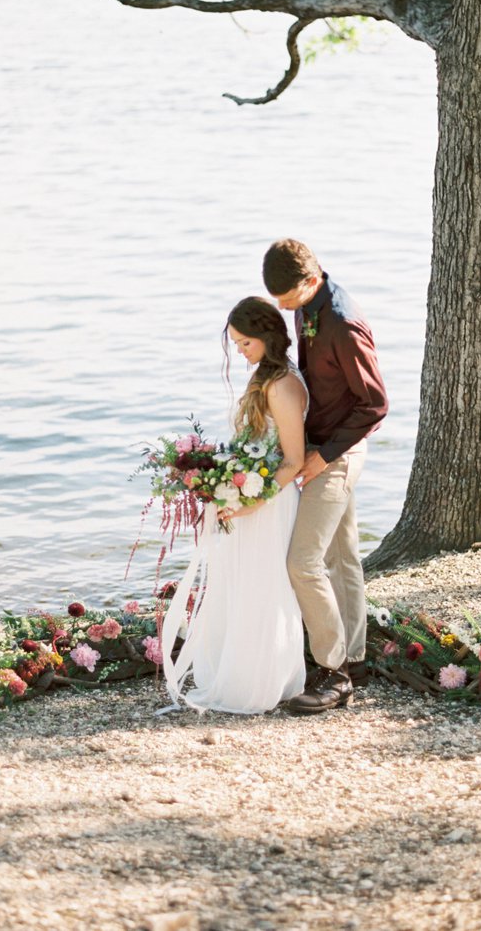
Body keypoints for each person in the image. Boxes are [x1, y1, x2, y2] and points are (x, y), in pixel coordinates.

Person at [160, 297, 308, 714]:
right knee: (239, 585)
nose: (240, 352)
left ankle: (262, 680)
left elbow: (293, 461)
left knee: (264, 587)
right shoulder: (265, 377)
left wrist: (250, 500)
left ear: (267, 336)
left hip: (269, 504)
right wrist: (221, 476)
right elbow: (253, 446)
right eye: (236, 344)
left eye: (245, 343)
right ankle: (237, 670)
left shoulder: (283, 386)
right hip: (248, 500)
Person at [262, 239, 388, 715]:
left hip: (341, 450)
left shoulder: (343, 323)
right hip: (317, 446)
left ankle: (333, 674)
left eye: (287, 299)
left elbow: (374, 404)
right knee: (342, 556)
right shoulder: (306, 302)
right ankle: (354, 658)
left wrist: (323, 456)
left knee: (303, 562)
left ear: (311, 281)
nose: (283, 308)